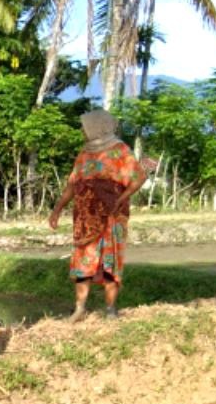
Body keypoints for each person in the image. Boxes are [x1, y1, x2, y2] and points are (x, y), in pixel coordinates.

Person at [48, 109, 148, 321]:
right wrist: (57, 210)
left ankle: (110, 310)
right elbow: (72, 186)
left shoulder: (120, 150)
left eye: (85, 127)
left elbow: (138, 177)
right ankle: (79, 309)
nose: (82, 131)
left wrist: (121, 199)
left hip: (111, 217)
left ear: (97, 127)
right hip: (85, 218)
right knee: (83, 261)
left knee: (109, 261)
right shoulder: (84, 154)